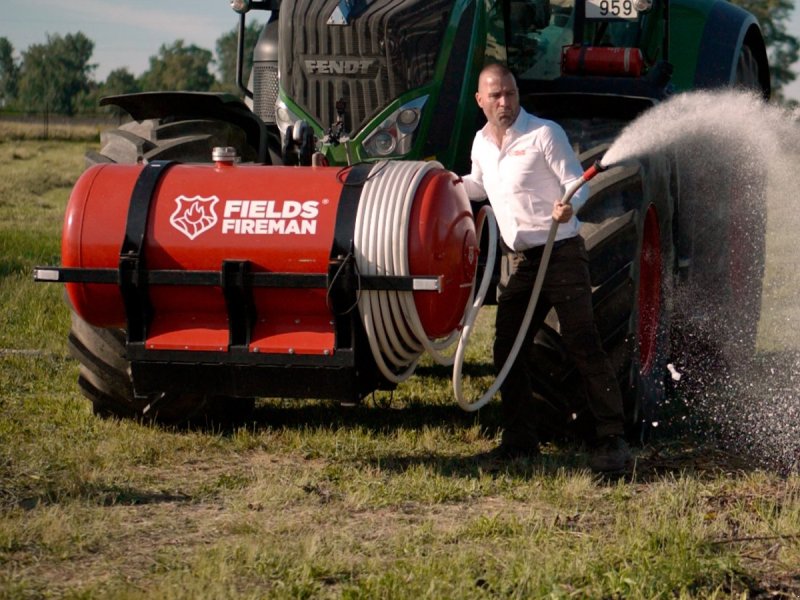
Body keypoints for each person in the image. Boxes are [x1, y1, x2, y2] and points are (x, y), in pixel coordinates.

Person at [461, 63, 632, 473]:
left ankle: (613, 440)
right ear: (480, 100)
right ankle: (520, 441)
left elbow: (579, 181)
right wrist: (440, 181)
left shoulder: (544, 134)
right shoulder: (482, 143)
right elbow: (479, 185)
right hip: (522, 262)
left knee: (583, 344)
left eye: (511, 94)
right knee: (507, 349)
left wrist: (571, 203)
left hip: (562, 255)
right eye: (496, 95)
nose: (505, 103)